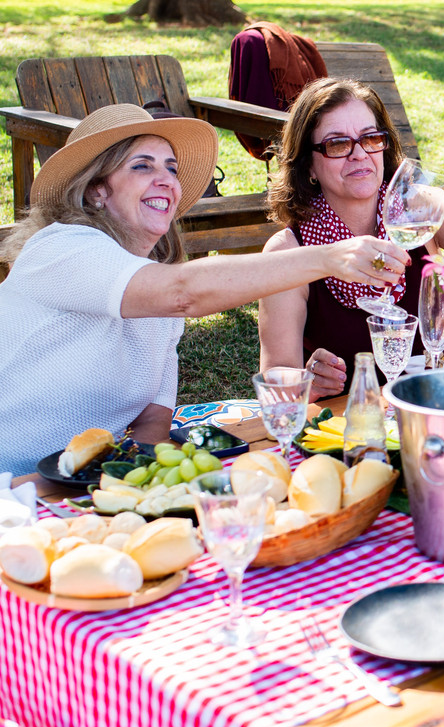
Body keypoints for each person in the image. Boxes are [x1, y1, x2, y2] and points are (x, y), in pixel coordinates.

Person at [0, 103, 391, 477]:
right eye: (142, 166)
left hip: (84, 482)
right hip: (13, 481)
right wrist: (329, 258)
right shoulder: (60, 248)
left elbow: (154, 417)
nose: (167, 179)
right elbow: (184, 292)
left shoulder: (156, 280)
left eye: (171, 168)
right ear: (97, 189)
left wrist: (137, 475)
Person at [258, 77, 444, 399]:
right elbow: (275, 374)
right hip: (350, 427)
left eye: (371, 138)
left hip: (442, 402)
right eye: (337, 144)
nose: (359, 154)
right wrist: (305, 380)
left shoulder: (418, 212)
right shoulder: (287, 251)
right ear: (308, 167)